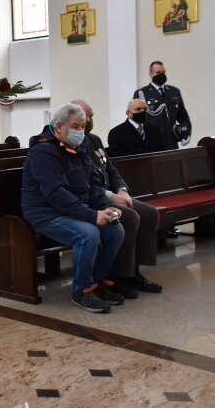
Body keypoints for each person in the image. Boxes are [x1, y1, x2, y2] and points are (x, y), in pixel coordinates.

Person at [21, 102, 125, 313]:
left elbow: (93, 184)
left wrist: (106, 207)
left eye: (83, 126)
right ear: (59, 127)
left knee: (115, 230)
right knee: (88, 233)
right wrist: (92, 215)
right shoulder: (42, 152)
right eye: (76, 126)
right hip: (45, 212)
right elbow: (56, 194)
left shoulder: (78, 148)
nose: (81, 132)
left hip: (73, 208)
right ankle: (82, 291)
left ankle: (97, 282)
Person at [73, 100, 163, 298]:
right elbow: (83, 182)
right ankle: (118, 276)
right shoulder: (73, 143)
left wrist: (122, 190)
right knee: (129, 216)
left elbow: (110, 169)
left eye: (91, 116)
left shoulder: (94, 140)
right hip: (94, 198)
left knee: (149, 213)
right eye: (86, 116)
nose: (90, 120)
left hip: (110, 193)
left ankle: (134, 272)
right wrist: (110, 195)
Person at [133, 61, 191, 150]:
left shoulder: (174, 91)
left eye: (163, 72)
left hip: (171, 142)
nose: (162, 75)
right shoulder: (142, 93)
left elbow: (183, 116)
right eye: (158, 73)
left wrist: (186, 133)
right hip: (152, 143)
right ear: (151, 74)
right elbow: (136, 119)